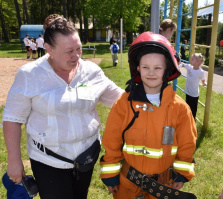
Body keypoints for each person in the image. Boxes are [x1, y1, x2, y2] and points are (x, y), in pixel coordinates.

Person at [3, 14, 123, 199]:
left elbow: (121, 100)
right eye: (69, 51)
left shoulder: (91, 72)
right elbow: (12, 118)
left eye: (79, 49)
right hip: (48, 160)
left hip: (86, 158)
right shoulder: (29, 75)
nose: (76, 56)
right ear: (49, 48)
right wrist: (14, 160)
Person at [100, 32, 197, 199]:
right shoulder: (124, 104)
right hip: (128, 185)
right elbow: (112, 140)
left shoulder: (179, 108)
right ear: (137, 68)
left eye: (157, 68)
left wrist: (181, 172)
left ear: (167, 69)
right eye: (145, 67)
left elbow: (187, 143)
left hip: (163, 187)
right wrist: (110, 173)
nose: (151, 73)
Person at [180, 53, 206, 118]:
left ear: (198, 62)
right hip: (188, 92)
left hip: (194, 94)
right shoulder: (189, 67)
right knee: (188, 107)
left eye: (192, 59)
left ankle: (192, 122)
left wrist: (204, 84)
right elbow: (183, 64)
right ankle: (187, 120)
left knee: (193, 110)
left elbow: (203, 80)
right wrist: (179, 64)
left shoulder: (201, 72)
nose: (190, 60)